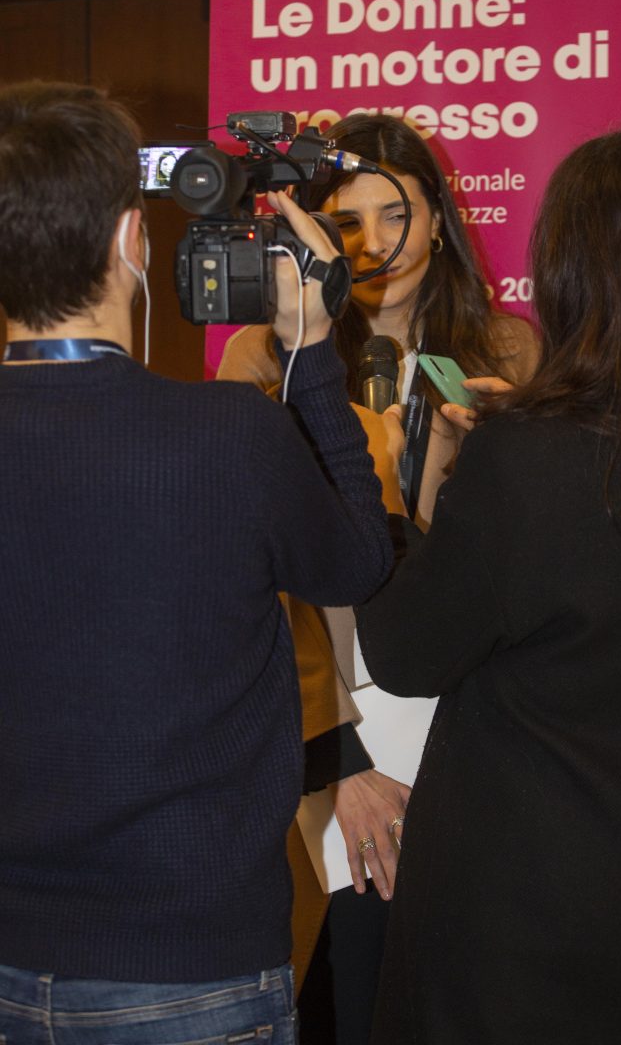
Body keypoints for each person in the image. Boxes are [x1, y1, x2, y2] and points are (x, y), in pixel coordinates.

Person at [0, 81, 392, 1045]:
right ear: (132, 239)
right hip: (191, 966)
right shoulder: (226, 435)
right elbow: (357, 563)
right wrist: (311, 353)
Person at [355, 124, 621, 1045]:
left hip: (526, 937)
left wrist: (382, 497)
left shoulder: (530, 462)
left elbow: (408, 652)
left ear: (572, 275)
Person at [218, 112, 539, 1043]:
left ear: (439, 217)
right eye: (347, 222)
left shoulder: (510, 354)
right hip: (330, 722)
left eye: (396, 214)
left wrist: (513, 453)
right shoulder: (263, 358)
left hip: (477, 716)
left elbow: (535, 564)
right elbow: (250, 582)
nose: (373, 245)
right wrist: (340, 763)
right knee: (350, 972)